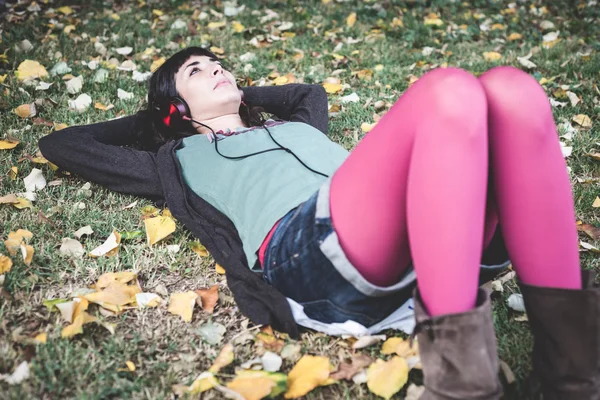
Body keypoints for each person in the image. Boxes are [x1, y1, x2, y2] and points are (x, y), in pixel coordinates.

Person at [39, 46, 599, 398]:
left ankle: (577, 375)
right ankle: (463, 385)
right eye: (197, 71)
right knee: (450, 91)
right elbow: (63, 143)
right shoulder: (176, 161)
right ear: (174, 108)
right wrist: (170, 119)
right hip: (305, 250)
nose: (217, 70)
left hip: (430, 233)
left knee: (513, 91)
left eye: (221, 65)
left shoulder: (301, 122)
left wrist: (235, 97)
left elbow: (308, 92)